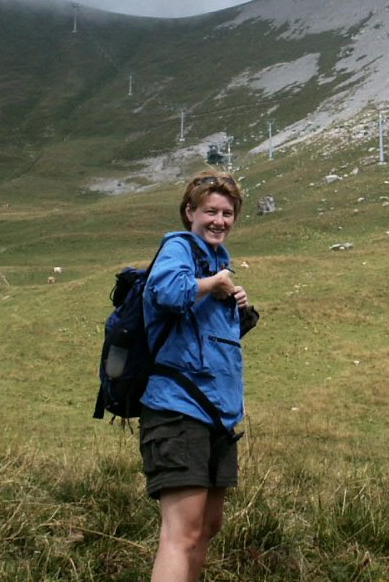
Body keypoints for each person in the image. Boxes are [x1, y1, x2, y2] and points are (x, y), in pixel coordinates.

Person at [140, 170, 257, 582]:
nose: (219, 221)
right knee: (181, 534)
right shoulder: (179, 247)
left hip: (217, 417)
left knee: (207, 528)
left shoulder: (216, 262)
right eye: (210, 211)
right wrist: (212, 284)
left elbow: (206, 335)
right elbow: (165, 292)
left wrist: (235, 301)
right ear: (190, 212)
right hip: (178, 411)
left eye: (227, 213)